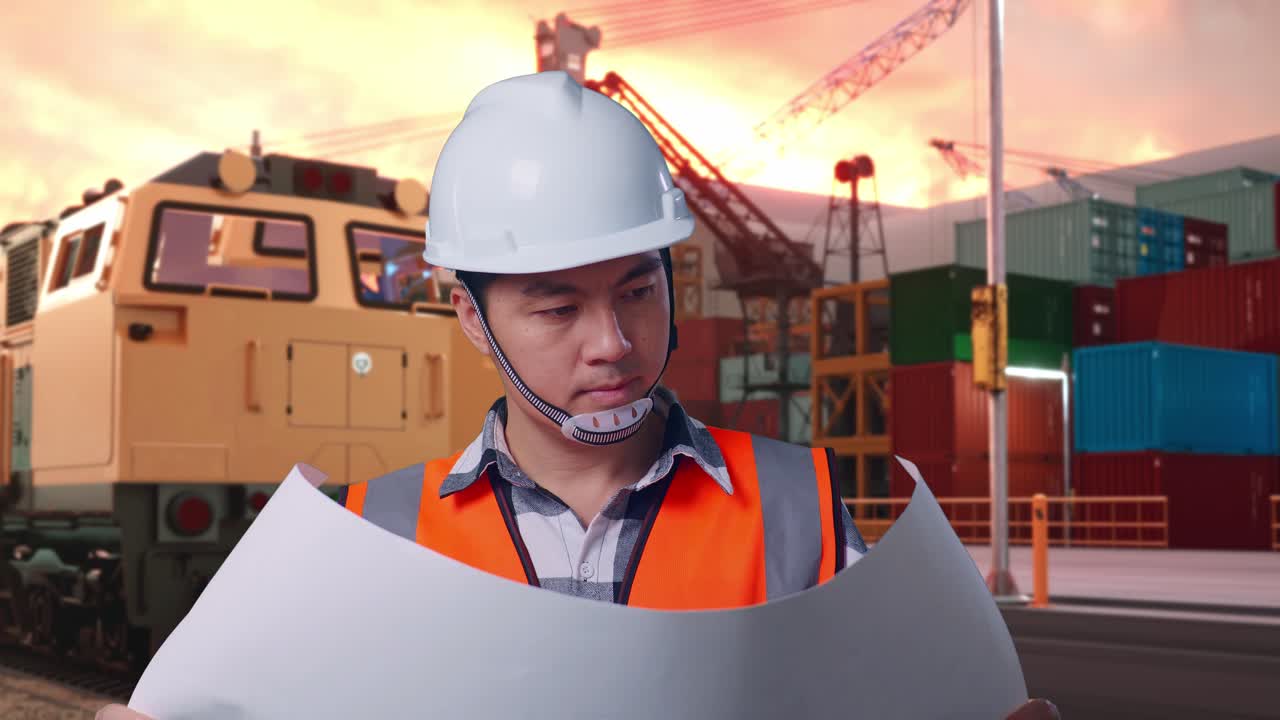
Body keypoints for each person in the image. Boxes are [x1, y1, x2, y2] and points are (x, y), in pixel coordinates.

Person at [99, 70, 1058, 719]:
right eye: (557, 308)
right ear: (472, 321)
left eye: (638, 290)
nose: (614, 344)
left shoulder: (800, 508)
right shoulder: (373, 533)